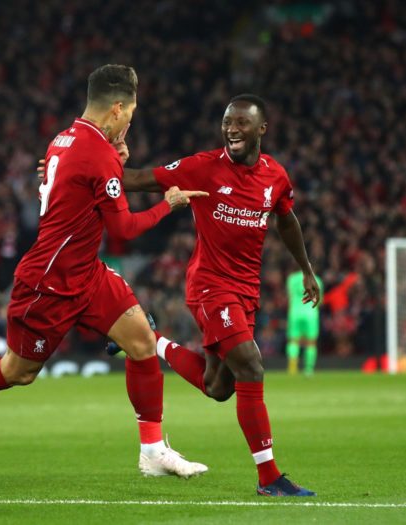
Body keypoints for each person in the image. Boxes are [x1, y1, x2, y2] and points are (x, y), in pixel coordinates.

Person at [0, 64, 209, 478]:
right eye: (132, 113)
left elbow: (80, 185)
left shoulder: (65, 139)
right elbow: (123, 229)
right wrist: (167, 205)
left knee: (140, 342)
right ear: (117, 108)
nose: (130, 123)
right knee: (17, 372)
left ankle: (152, 452)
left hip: (87, 273)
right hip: (49, 281)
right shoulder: (97, 153)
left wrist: (114, 164)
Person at [106, 94, 321, 496]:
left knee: (219, 387)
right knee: (251, 367)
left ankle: (149, 339)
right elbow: (139, 180)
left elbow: (287, 219)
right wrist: (88, 168)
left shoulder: (275, 175)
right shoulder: (202, 167)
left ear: (261, 129)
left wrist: (306, 269)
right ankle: (269, 477)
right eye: (226, 122)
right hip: (210, 286)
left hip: (245, 291)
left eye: (241, 123)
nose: (231, 129)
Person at [286, 270, 323, 375]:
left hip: (295, 313)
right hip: (310, 314)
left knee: (293, 341)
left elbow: (290, 296)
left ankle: (292, 369)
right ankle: (309, 369)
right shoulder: (317, 280)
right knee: (311, 342)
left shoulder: (291, 279)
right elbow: (319, 300)